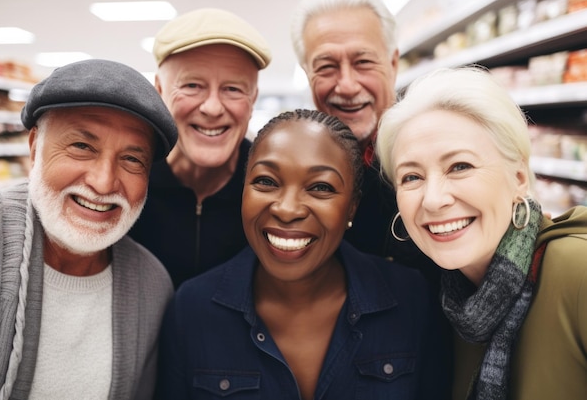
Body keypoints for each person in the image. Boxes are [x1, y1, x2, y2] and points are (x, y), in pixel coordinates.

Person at [155, 109, 450, 399]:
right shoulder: (192, 309)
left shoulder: (410, 297)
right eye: (266, 181)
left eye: (320, 187)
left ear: (352, 207)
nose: (287, 209)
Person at [0, 58, 178, 400]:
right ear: (34, 148)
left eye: (132, 159)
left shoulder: (150, 285)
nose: (104, 182)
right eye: (82, 147)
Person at [376, 66, 587, 400]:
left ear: (518, 177)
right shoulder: (449, 303)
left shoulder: (578, 270)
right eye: (411, 177)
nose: (433, 200)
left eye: (460, 166)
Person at [289, 0, 440, 285]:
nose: (346, 85)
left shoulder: (440, 152)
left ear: (393, 64)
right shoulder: (292, 168)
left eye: (363, 62)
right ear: (308, 76)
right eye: (326, 66)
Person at [128, 8, 272, 288]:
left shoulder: (275, 193)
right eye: (193, 85)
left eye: (233, 89)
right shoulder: (124, 181)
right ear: (159, 90)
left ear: (253, 98)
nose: (213, 108)